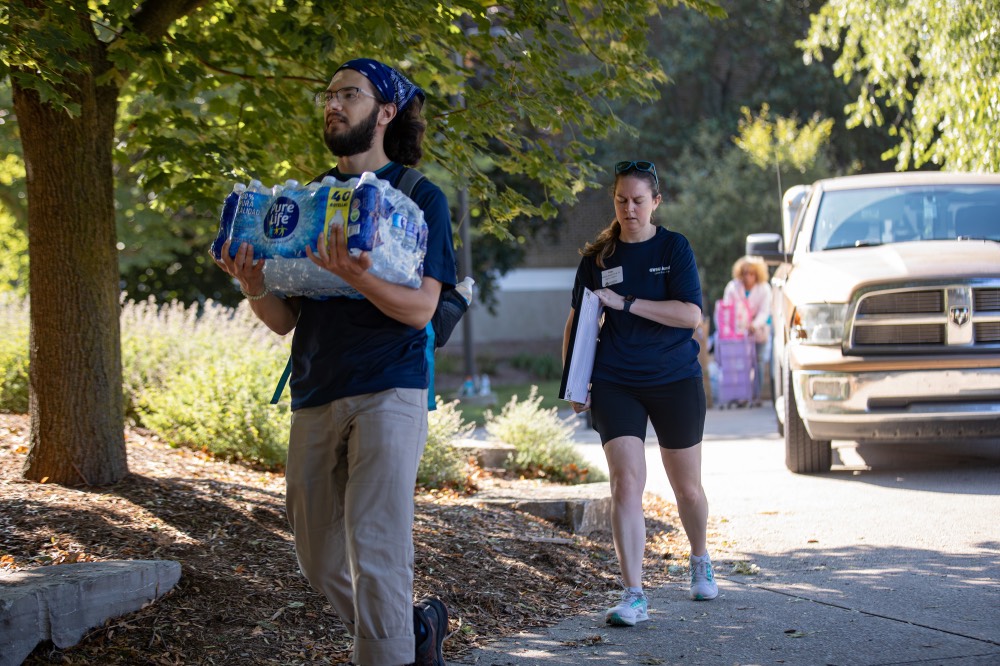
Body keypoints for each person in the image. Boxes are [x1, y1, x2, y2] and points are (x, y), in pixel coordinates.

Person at [216, 58, 455, 666]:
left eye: (350, 93)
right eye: (329, 94)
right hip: (316, 387)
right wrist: (252, 285)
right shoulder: (310, 200)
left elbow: (423, 309)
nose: (334, 103)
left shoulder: (420, 196)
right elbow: (286, 319)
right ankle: (411, 629)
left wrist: (361, 279)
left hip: (389, 388)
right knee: (317, 557)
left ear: (386, 111)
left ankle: (389, 653)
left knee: (375, 545)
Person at [562, 160, 718, 628]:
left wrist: (628, 303)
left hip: (674, 377)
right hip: (616, 380)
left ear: (656, 201)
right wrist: (574, 378)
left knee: (686, 487)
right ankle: (633, 593)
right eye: (621, 200)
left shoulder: (674, 248)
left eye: (638, 200)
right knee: (626, 483)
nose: (629, 209)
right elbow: (577, 321)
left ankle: (699, 558)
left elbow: (691, 315)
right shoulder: (598, 259)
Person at [721, 256, 771, 402]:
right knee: (740, 363)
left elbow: (765, 311)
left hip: (758, 332)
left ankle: (756, 394)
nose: (748, 277)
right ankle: (740, 395)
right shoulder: (733, 287)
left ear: (757, 274)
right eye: (745, 273)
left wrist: (754, 325)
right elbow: (727, 309)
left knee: (758, 361)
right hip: (739, 333)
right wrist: (739, 326)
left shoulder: (764, 289)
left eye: (751, 273)